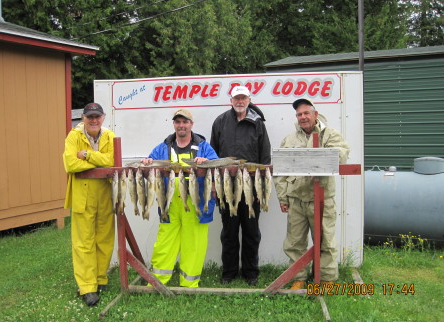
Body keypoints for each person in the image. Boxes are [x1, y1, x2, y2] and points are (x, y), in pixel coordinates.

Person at [274, 98, 350, 289]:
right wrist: (283, 197)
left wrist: (317, 154)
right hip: (296, 199)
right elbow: (280, 172)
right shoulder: (289, 139)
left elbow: (342, 154)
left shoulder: (330, 135)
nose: (303, 117)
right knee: (294, 242)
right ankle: (298, 277)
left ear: (315, 114)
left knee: (326, 241)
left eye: (306, 113)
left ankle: (326, 279)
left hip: (322, 198)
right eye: (299, 114)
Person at [141, 108, 218, 287]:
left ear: (191, 124)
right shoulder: (162, 148)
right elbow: (149, 168)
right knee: (164, 243)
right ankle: (157, 282)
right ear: (174, 124)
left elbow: (218, 168)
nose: (181, 125)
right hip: (169, 204)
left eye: (185, 122)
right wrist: (146, 163)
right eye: (178, 122)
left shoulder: (204, 147)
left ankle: (189, 283)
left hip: (196, 204)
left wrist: (207, 163)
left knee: (194, 245)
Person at [210, 86, 271, 286]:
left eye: (243, 98)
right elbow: (213, 156)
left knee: (252, 231)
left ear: (249, 99)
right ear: (231, 100)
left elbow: (265, 156)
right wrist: (214, 183)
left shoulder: (258, 123)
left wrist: (261, 187)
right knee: (229, 231)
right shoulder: (219, 122)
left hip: (252, 186)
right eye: (236, 98)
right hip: (226, 185)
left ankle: (251, 273)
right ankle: (228, 272)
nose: (240, 101)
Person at [63, 103, 115, 306]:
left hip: (104, 193)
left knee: (104, 239)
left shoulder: (110, 136)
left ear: (103, 118)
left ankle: (100, 278)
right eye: (90, 117)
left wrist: (86, 155)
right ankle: (87, 287)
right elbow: (70, 164)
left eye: (97, 117)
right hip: (82, 196)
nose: (94, 120)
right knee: (83, 243)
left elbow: (112, 160)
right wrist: (100, 161)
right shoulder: (73, 137)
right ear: (83, 118)